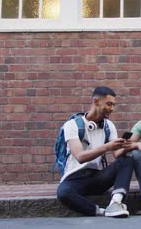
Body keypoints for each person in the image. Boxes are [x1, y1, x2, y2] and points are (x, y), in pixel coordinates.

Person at [56, 86, 134, 218]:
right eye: (109, 104)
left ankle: (116, 203)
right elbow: (80, 157)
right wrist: (107, 147)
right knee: (63, 193)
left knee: (127, 160)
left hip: (96, 177)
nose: (112, 109)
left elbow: (117, 154)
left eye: (114, 105)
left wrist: (131, 146)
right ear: (96, 101)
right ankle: (100, 211)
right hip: (74, 178)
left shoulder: (109, 126)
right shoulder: (72, 125)